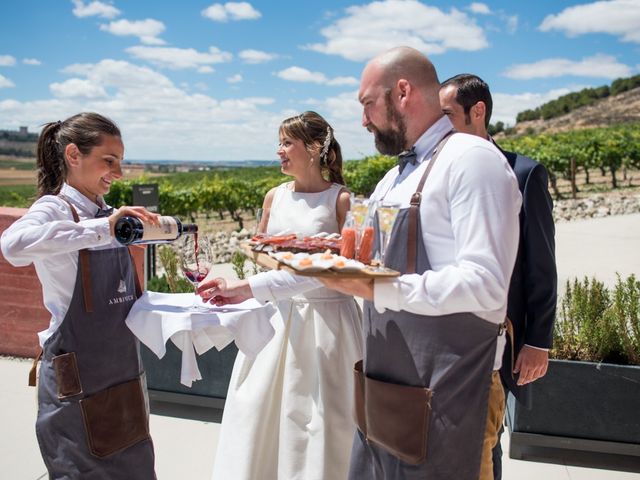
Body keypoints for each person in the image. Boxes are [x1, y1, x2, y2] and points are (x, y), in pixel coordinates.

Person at [318, 46, 522, 480]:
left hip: (450, 391)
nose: (364, 120)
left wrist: (380, 288)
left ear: (403, 91)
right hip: (388, 389)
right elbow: (374, 259)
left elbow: (486, 284)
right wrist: (332, 254)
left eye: (367, 103)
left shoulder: (473, 160)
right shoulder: (394, 177)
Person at [197, 111, 363, 480]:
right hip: (275, 320)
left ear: (315, 148)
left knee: (323, 421)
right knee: (259, 415)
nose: (279, 151)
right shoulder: (274, 197)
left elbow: (338, 272)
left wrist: (248, 289)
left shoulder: (342, 201)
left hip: (329, 325)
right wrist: (238, 302)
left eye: (288, 142)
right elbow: (263, 263)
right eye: (280, 142)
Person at [0, 112, 159, 478]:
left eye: (120, 161)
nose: (118, 172)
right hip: (79, 377)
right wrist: (103, 229)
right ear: (73, 154)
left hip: (123, 373)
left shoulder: (106, 213)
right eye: (109, 160)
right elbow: (12, 245)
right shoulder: (55, 209)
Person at [439, 73, 557, 480]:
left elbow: (540, 263)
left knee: (486, 441)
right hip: (444, 336)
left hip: (500, 337)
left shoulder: (523, 174)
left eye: (447, 115)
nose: (440, 127)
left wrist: (537, 341)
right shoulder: (435, 173)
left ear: (478, 112)